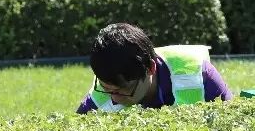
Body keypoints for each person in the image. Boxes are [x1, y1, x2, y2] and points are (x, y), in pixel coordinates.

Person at [76, 22, 232, 114]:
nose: (114, 99)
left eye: (123, 89)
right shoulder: (102, 89)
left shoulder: (200, 76)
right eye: (107, 88)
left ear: (150, 68)